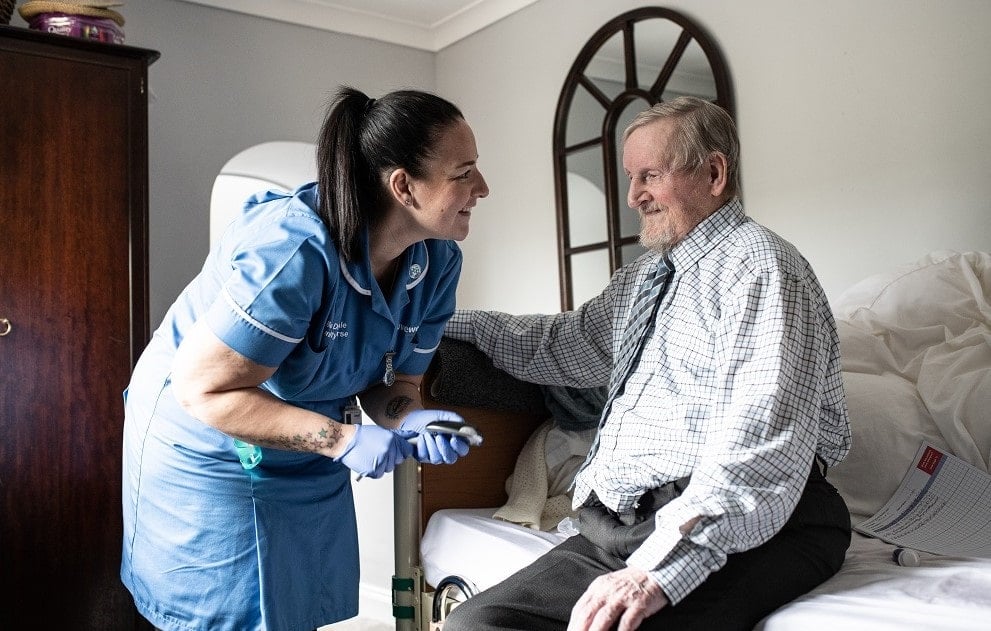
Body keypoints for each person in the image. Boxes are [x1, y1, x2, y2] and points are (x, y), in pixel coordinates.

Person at [442, 96, 852, 631]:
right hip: (622, 526)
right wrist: (437, 324)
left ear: (713, 173)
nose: (633, 196)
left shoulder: (764, 269)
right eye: (631, 177)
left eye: (650, 175)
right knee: (477, 624)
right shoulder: (644, 278)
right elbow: (561, 342)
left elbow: (761, 446)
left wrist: (657, 574)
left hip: (753, 520)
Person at [120, 85, 489, 631]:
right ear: (404, 187)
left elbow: (394, 384)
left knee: (291, 609)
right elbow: (203, 389)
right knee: (225, 616)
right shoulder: (292, 250)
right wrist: (341, 440)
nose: (482, 187)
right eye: (465, 173)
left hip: (301, 446)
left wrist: (410, 416)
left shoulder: (437, 263)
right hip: (206, 449)